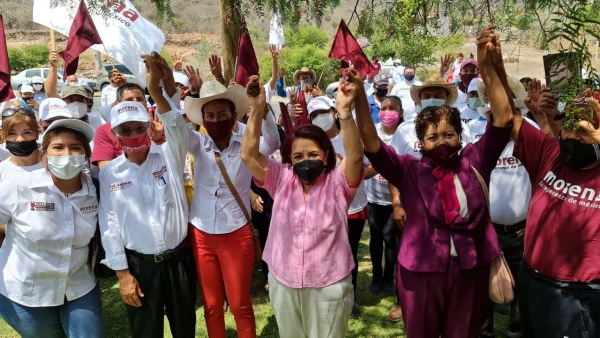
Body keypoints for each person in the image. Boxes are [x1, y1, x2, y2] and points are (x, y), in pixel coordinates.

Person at [354, 25, 515, 337]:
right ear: (421, 141)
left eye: (448, 134)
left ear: (459, 135)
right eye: (433, 137)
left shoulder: (476, 160)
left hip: (470, 269)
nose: (442, 141)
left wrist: (488, 67)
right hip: (420, 272)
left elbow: (504, 119)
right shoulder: (408, 169)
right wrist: (360, 97)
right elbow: (372, 144)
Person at [241, 69, 365, 338]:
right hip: (284, 281)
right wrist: (256, 108)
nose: (305, 160)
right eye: (298, 156)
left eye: (313, 154)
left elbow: (355, 156)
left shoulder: (338, 182)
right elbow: (249, 156)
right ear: (289, 159)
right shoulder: (281, 178)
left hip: (328, 284)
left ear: (326, 155)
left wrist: (344, 113)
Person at [99, 52, 196, 338]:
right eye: (125, 130)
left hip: (179, 262)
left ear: (149, 127)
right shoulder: (110, 173)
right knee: (146, 332)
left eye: (139, 128)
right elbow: (110, 224)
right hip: (140, 267)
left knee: (185, 329)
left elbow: (177, 127)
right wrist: (122, 273)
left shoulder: (170, 156)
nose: (133, 135)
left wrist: (156, 91)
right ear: (115, 135)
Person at [182, 73, 280, 337]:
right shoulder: (198, 143)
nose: (216, 121)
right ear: (202, 120)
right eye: (209, 116)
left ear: (234, 115)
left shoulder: (246, 146)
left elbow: (273, 142)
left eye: (222, 115)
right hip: (201, 234)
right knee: (212, 305)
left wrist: (261, 107)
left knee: (239, 304)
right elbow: (174, 131)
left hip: (237, 234)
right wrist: (166, 92)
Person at [0, 118, 105, 338]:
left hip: (79, 284)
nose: (66, 154)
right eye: (58, 147)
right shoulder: (19, 187)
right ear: (44, 153)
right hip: (26, 291)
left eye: (75, 147)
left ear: (86, 155)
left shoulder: (96, 190)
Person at [509, 81, 600, 336]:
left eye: (588, 130)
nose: (574, 137)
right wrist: (492, 65)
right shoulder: (552, 152)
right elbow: (508, 118)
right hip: (534, 279)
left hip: (579, 293)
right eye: (570, 127)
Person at [469, 78, 540, 338]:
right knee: (481, 288)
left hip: (524, 231)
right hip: (485, 230)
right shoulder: (476, 135)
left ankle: (516, 331)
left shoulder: (531, 130)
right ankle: (484, 332)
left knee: (522, 289)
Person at [307, 95, 375, 319]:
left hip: (354, 208)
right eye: (314, 115)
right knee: (325, 253)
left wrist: (354, 177)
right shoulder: (312, 145)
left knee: (349, 253)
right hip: (324, 211)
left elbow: (370, 166)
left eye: (323, 113)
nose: (320, 119)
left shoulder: (351, 136)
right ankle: (325, 294)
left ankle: (350, 297)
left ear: (334, 112)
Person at [365, 96, 403, 298]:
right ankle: (376, 277)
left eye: (393, 108)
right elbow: (364, 166)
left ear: (401, 112)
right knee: (375, 237)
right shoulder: (373, 133)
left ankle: (389, 277)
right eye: (384, 108)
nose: (388, 112)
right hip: (373, 197)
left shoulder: (405, 134)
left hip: (396, 201)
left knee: (390, 238)